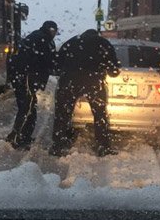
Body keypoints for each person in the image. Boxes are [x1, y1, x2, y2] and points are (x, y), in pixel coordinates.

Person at [49, 29, 121, 157]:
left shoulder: (71, 42)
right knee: (100, 114)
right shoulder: (103, 43)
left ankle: (58, 145)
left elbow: (55, 65)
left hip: (69, 81)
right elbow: (113, 70)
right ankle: (102, 146)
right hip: (93, 81)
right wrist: (108, 70)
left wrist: (67, 72)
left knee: (63, 114)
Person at [5, 21, 58, 150]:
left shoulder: (39, 37)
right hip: (26, 76)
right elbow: (46, 61)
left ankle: (22, 136)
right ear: (48, 29)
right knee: (27, 107)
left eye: (55, 30)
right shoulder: (42, 39)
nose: (54, 33)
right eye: (52, 30)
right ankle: (17, 138)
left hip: (22, 75)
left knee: (29, 106)